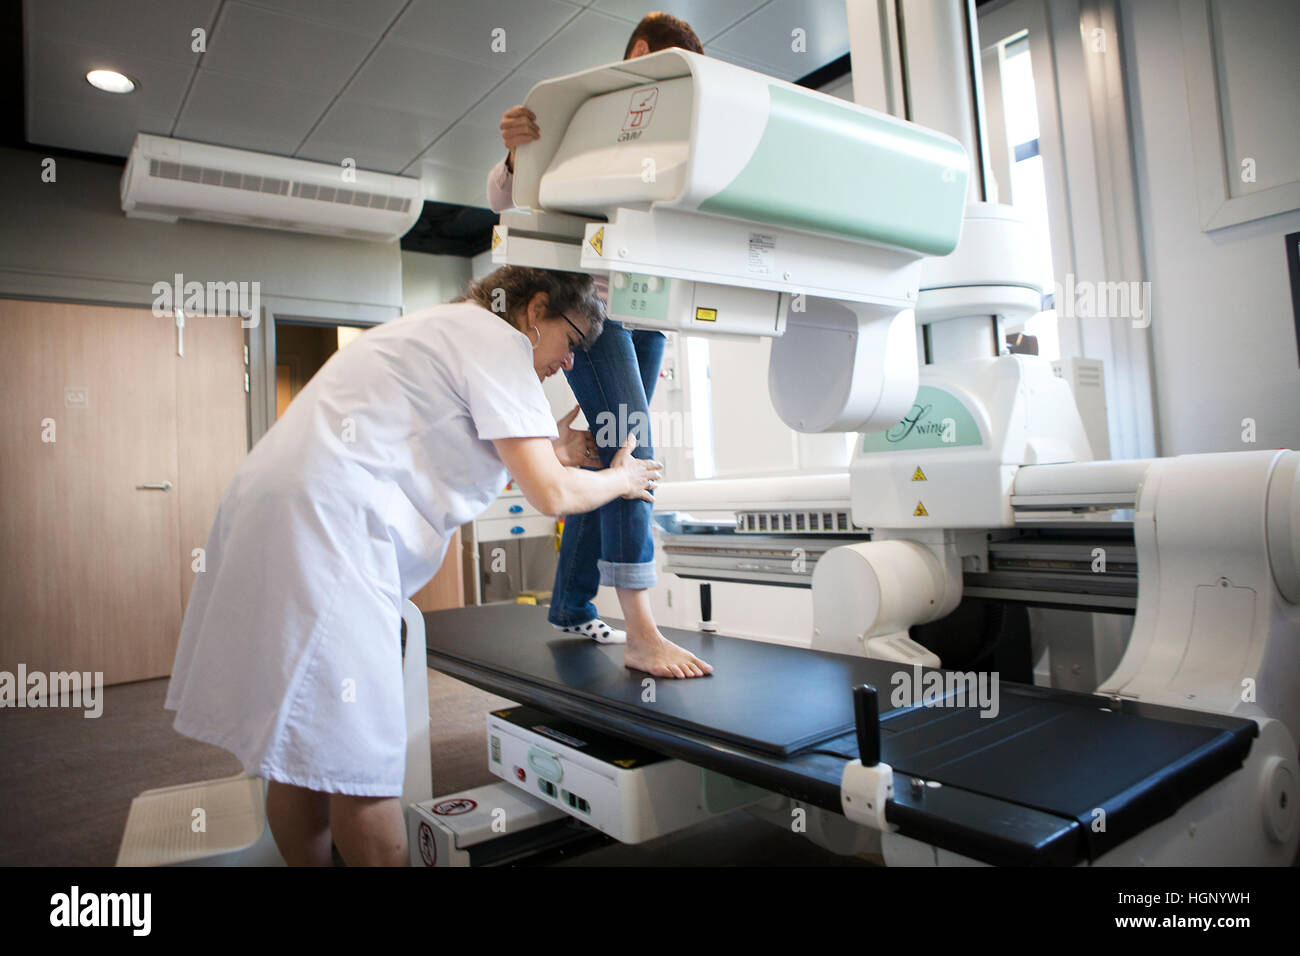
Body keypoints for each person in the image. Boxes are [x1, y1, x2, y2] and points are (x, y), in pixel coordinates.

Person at [165, 267, 662, 866]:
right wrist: (622, 478)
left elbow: (449, 443)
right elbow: (552, 495)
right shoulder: (498, 341)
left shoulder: (441, 328)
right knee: (361, 766)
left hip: (273, 510)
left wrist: (550, 448)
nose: (572, 362)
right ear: (535, 311)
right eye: (575, 340)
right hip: (328, 533)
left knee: (304, 750)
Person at [486, 12, 713, 680]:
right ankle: (642, 632)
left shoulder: (683, 131)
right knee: (630, 448)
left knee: (602, 457)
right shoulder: (585, 119)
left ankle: (571, 601)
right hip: (595, 309)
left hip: (650, 311)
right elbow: (510, 200)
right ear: (641, 56)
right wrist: (512, 155)